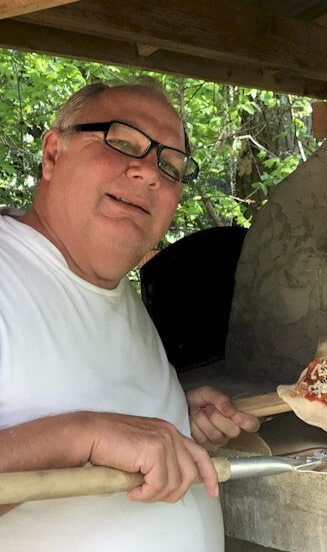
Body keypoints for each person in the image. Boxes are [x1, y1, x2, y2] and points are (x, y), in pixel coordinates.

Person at [0, 80, 260, 551]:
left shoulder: (114, 288)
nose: (151, 173)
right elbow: (94, 429)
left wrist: (179, 414)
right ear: (53, 152)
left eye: (172, 166)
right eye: (122, 143)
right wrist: (84, 436)